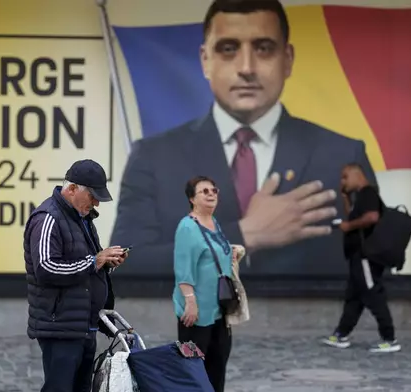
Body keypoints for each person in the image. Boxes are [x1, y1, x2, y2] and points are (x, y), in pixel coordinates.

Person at [110, 0, 376, 277]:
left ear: (288, 59)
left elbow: (381, 274)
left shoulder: (343, 156)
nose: (247, 67)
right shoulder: (153, 158)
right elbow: (124, 266)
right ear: (205, 60)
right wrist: (245, 235)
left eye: (263, 49)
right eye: (228, 49)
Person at [23, 159, 128, 392]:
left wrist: (107, 263)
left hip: (83, 324)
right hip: (59, 325)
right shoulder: (47, 218)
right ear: (71, 189)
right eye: (92, 196)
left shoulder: (83, 219)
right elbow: (46, 269)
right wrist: (95, 260)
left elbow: (86, 266)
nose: (96, 203)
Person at [322, 163, 400, 353]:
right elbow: (353, 216)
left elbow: (372, 217)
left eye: (345, 177)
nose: (342, 182)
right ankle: (341, 334)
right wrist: (345, 197)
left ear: (357, 175)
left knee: (373, 294)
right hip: (358, 256)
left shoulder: (368, 193)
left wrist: (348, 227)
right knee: (354, 297)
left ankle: (389, 339)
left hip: (366, 257)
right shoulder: (360, 197)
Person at [174, 176, 236, 392]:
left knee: (217, 368)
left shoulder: (213, 222)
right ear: (192, 198)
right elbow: (183, 268)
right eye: (204, 191)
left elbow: (212, 253)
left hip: (219, 308)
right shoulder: (187, 227)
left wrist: (232, 252)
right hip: (197, 313)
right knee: (195, 371)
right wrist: (190, 302)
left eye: (214, 190)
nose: (211, 194)